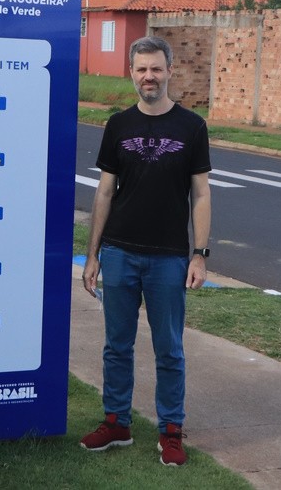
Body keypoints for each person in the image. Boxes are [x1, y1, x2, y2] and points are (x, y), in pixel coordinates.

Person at [79, 36, 212, 467]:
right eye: (141, 69)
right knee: (116, 345)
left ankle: (170, 431)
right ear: (131, 73)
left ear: (170, 70)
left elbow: (201, 194)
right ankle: (116, 423)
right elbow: (104, 192)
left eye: (156, 68)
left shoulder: (192, 127)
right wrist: (93, 254)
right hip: (119, 252)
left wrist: (199, 254)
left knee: (169, 349)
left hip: (169, 257)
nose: (148, 76)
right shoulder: (118, 125)